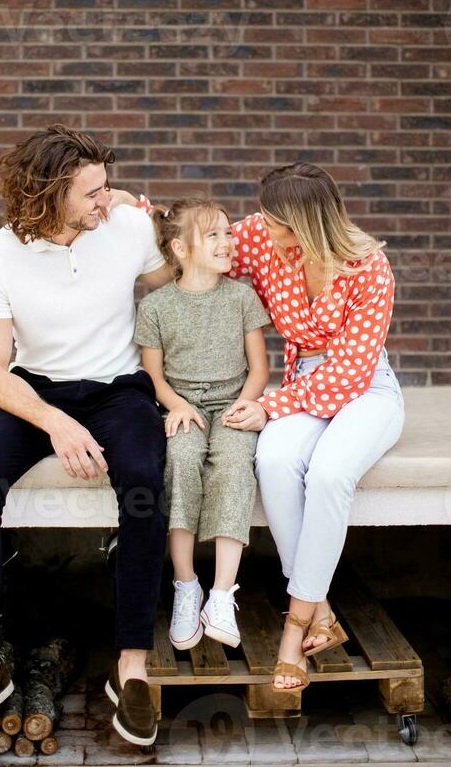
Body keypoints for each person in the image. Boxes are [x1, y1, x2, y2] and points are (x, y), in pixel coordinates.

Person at [134, 162, 404, 693]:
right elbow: (190, 234)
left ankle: (296, 625)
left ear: (306, 223)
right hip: (301, 383)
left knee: (328, 474)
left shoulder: (369, 268)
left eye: (274, 220)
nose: (257, 228)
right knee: (275, 460)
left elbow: (349, 372)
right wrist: (135, 207)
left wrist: (270, 407)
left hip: (367, 387)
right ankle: (320, 607)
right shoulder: (260, 236)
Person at [0, 124, 173, 751]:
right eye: (94, 192)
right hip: (36, 390)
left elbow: (178, 294)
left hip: (120, 388)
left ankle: (131, 666)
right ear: (50, 195)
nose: (110, 199)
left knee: (144, 483)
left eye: (108, 186)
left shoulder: (126, 227)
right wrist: (54, 420)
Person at [133, 198, 270, 654]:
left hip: (234, 404)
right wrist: (174, 405)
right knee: (182, 460)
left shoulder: (242, 297)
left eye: (228, 233)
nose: (228, 242)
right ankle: (186, 586)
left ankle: (221, 595)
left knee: (234, 464)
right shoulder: (156, 307)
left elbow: (258, 368)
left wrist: (246, 405)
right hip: (183, 407)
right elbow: (152, 376)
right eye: (213, 235)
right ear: (180, 248)